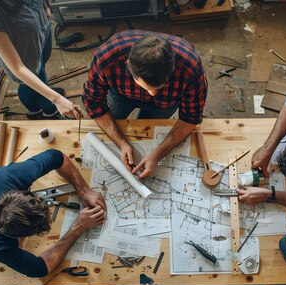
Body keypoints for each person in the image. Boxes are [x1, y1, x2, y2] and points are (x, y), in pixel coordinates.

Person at [0, 149, 106, 278]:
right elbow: (39, 269)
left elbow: (56, 156)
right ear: (14, 237)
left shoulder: (11, 176)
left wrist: (84, 190)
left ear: (24, 193)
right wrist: (77, 228)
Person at [83, 30, 208, 178]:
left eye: (159, 87)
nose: (153, 94)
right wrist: (121, 142)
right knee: (114, 118)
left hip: (164, 104)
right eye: (146, 87)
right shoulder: (107, 58)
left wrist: (156, 155)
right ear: (128, 65)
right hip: (121, 96)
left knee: (148, 132)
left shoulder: (191, 67)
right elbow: (94, 104)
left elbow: (190, 117)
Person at [0, 0, 82, 119]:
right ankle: (47, 112)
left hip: (39, 33)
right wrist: (56, 99)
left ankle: (40, 95)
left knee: (40, 71)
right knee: (33, 82)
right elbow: (18, 68)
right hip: (24, 55)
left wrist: (45, 6)